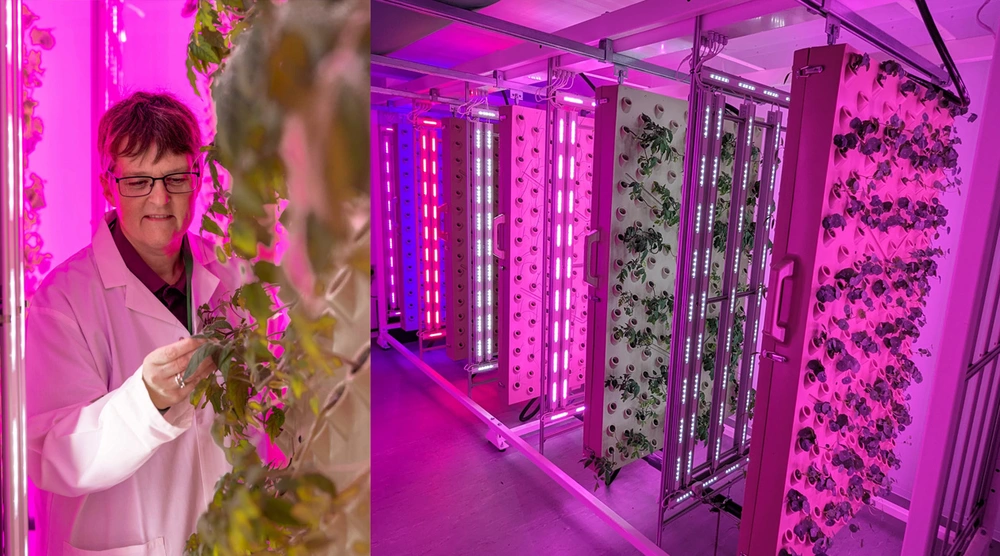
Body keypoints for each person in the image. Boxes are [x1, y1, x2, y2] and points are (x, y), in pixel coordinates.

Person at [25, 91, 241, 556]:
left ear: (197, 181)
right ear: (109, 186)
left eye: (175, 178)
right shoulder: (60, 301)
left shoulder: (230, 274)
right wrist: (146, 401)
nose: (159, 198)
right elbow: (49, 455)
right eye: (139, 181)